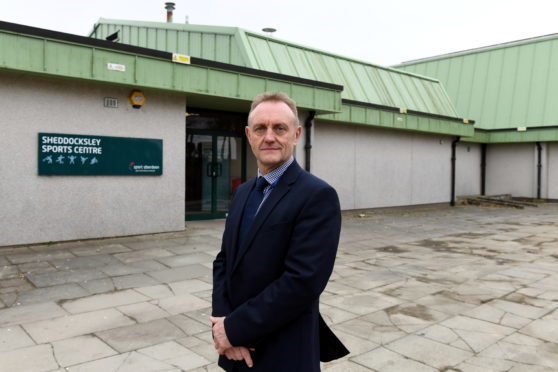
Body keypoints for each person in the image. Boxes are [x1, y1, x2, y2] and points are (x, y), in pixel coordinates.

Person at [210, 92, 349, 371]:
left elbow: (302, 282)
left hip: (284, 351)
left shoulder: (317, 196)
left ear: (296, 134)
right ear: (249, 135)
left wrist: (235, 329)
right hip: (236, 351)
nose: (269, 136)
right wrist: (222, 323)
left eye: (279, 128)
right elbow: (224, 260)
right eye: (261, 128)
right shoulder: (242, 193)